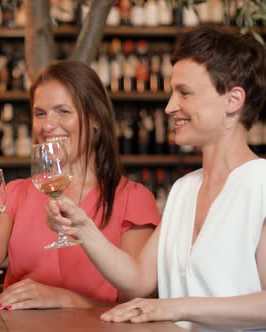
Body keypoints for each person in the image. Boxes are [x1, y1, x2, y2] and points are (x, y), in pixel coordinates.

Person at [46, 27, 266, 329]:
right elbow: (138, 280)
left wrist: (173, 308)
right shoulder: (183, 190)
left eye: (184, 93)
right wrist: (83, 229)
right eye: (171, 92)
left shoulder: (261, 185)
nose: (169, 106)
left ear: (233, 100)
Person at [0, 60, 161, 309]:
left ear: (95, 119)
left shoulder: (133, 199)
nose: (47, 125)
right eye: (40, 113)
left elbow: (137, 304)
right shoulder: (14, 193)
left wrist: (66, 300)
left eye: (63, 111)